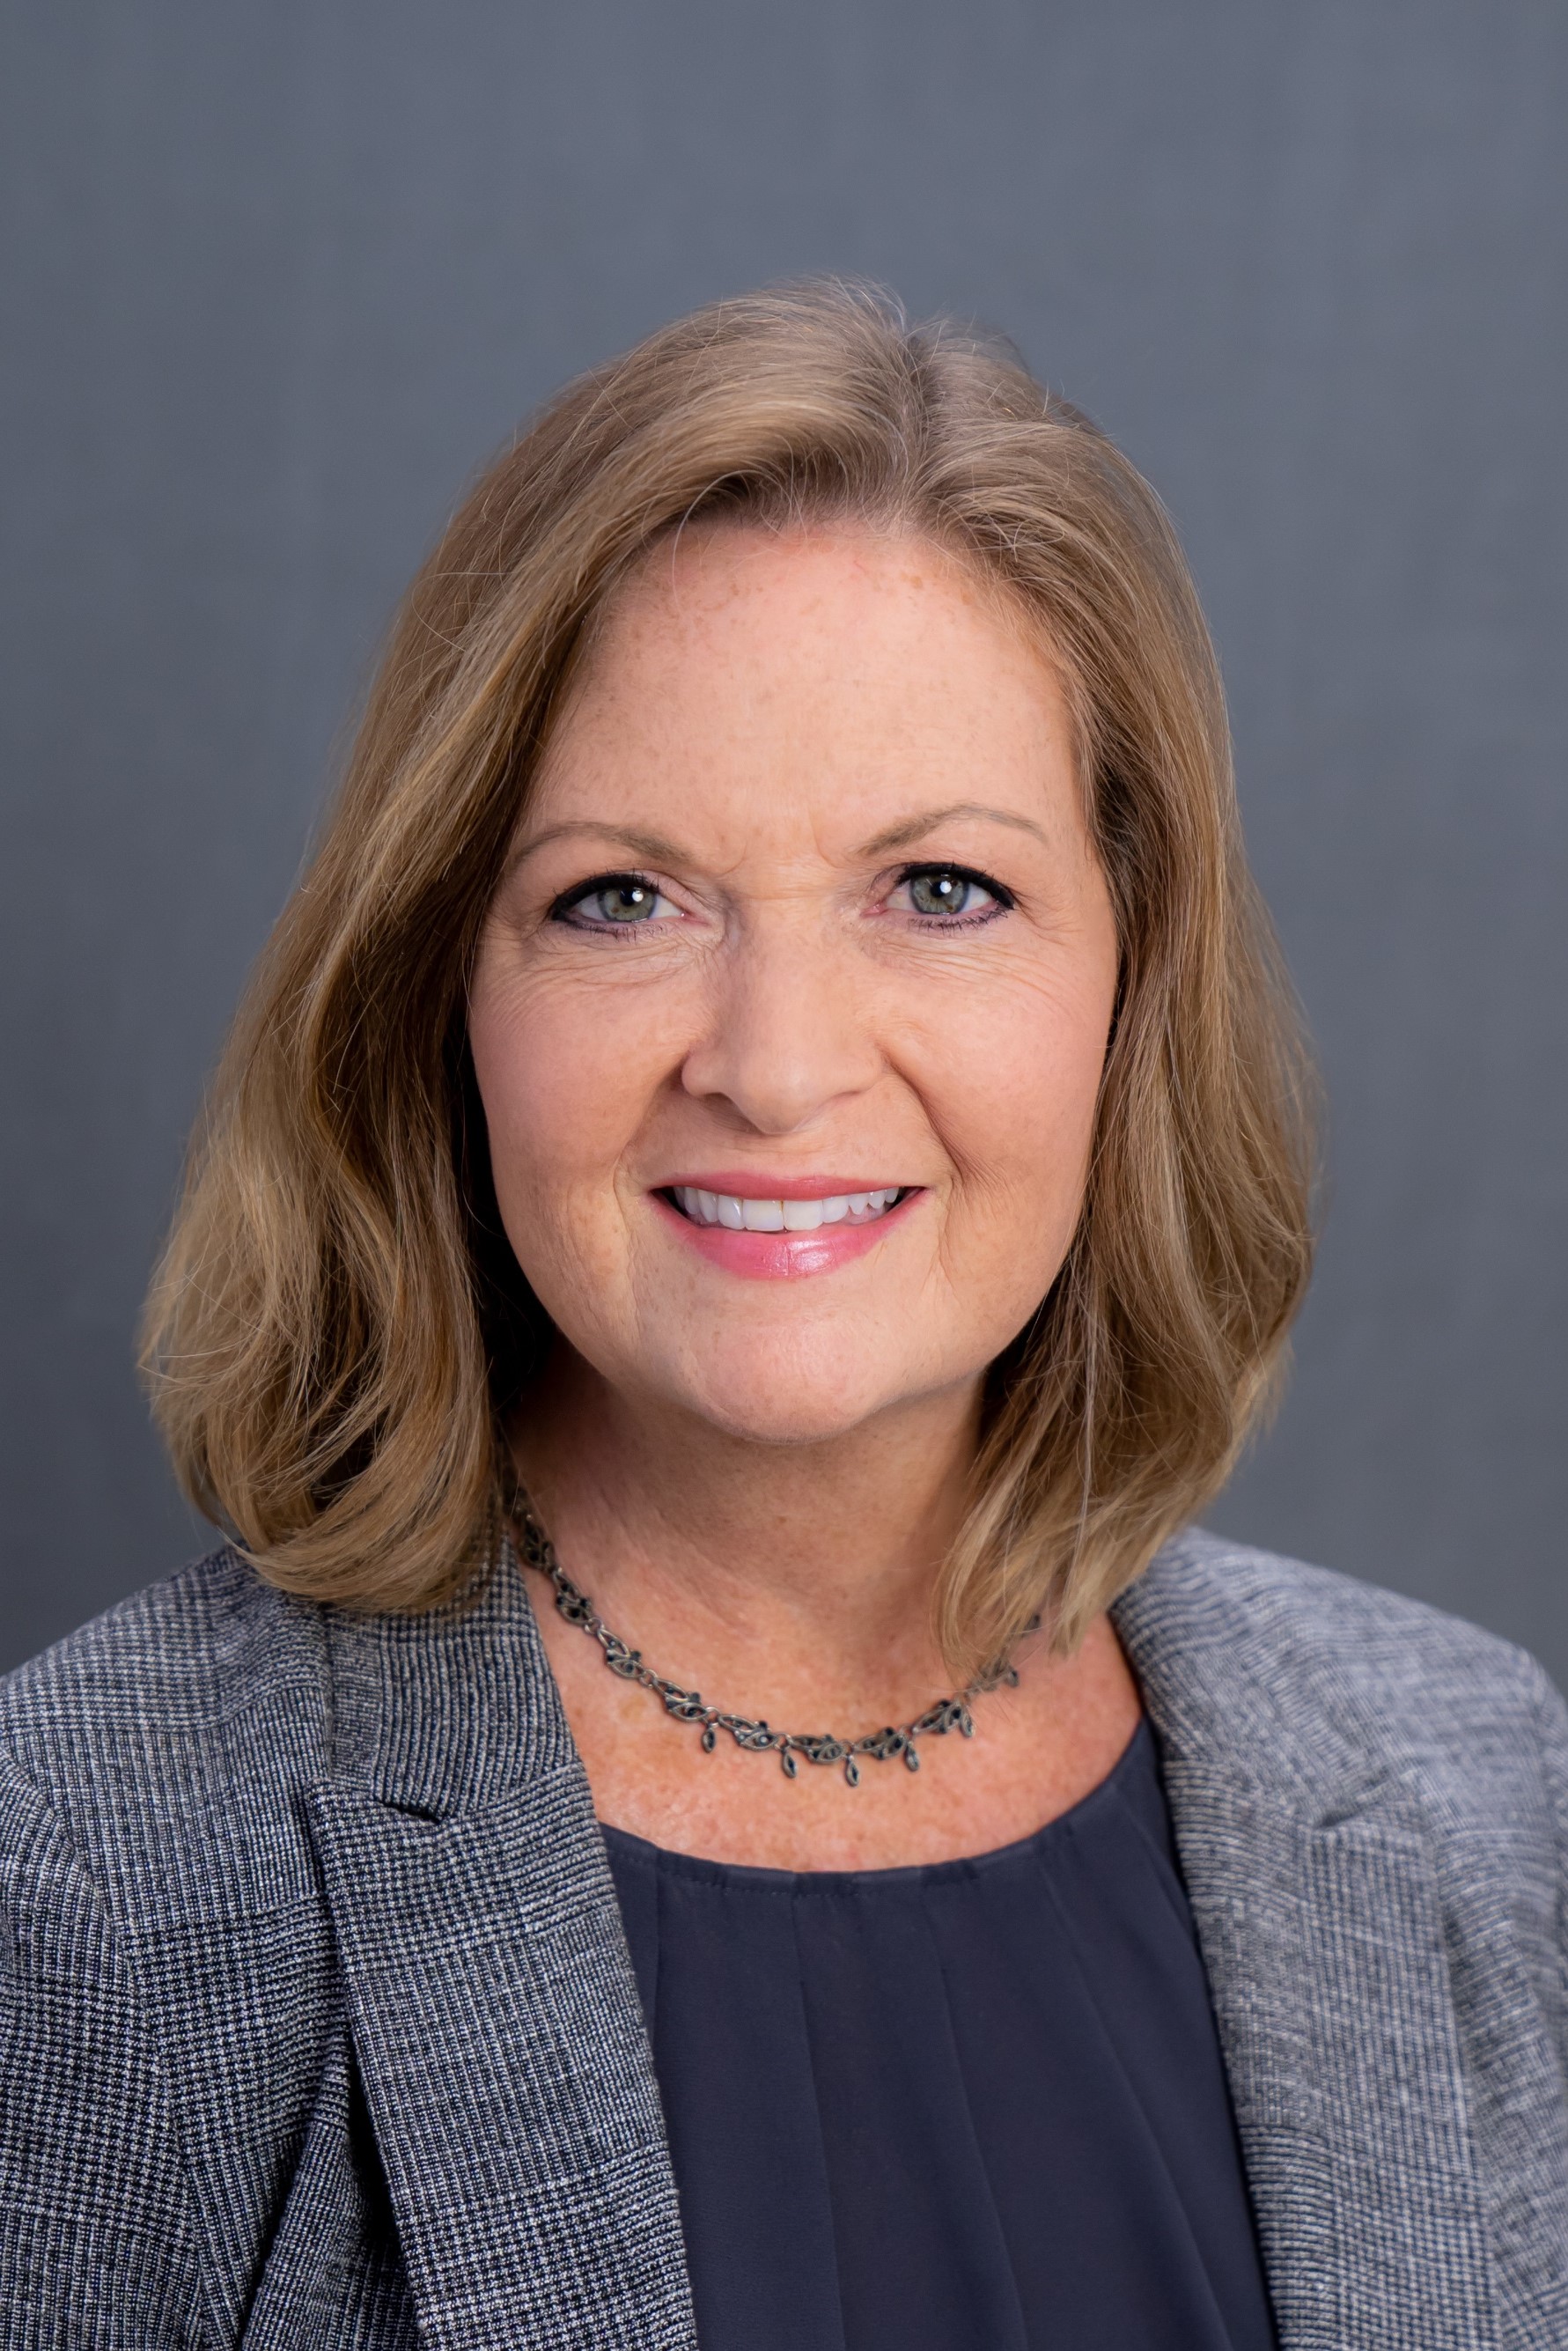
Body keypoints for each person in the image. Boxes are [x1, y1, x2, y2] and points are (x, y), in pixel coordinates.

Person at [2, 283, 1564, 2351]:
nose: (778, 1062)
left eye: (941, 890)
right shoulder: (88, 1878)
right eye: (620, 898)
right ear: (439, 995)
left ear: (1132, 988)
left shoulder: (1483, 1798)